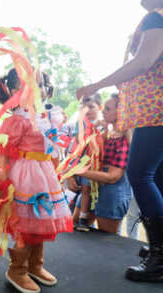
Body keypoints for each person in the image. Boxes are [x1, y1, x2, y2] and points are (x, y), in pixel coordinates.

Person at [76, 0, 163, 282]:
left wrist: (96, 85)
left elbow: (142, 63)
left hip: (160, 111)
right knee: (162, 177)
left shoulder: (158, 18)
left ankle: (162, 256)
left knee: (141, 174)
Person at [0, 68, 72, 293]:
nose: (38, 89)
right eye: (29, 84)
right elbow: (4, 150)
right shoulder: (17, 120)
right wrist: (3, 179)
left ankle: (35, 265)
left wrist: (56, 172)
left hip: (45, 174)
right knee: (25, 223)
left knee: (40, 220)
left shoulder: (49, 116)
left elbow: (52, 148)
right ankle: (18, 269)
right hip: (24, 176)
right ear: (14, 90)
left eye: (41, 84)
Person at [69, 94, 132, 234]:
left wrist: (77, 171)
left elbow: (113, 177)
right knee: (76, 231)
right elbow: (81, 150)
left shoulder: (125, 139)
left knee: (105, 244)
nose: (103, 111)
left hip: (111, 196)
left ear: (121, 112)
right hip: (91, 191)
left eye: (108, 109)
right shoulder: (105, 133)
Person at [70, 94, 102, 232]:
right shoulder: (81, 123)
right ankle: (83, 218)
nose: (87, 110)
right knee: (84, 189)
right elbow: (78, 142)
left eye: (91, 107)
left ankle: (85, 218)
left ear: (99, 107)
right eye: (84, 107)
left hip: (98, 163)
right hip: (84, 162)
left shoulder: (104, 124)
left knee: (88, 190)